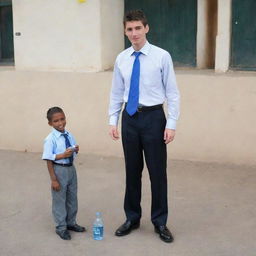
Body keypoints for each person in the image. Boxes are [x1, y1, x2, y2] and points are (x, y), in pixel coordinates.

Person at [108, 10, 180, 243]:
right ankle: (132, 217)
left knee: (157, 173)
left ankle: (160, 221)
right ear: (125, 31)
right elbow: (117, 92)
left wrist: (171, 123)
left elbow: (172, 93)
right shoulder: (122, 58)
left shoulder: (161, 56)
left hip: (153, 119)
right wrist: (113, 120)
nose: (134, 33)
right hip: (129, 118)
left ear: (146, 28)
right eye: (129, 29)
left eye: (138, 28)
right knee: (132, 171)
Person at [42, 107, 86, 240]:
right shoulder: (50, 139)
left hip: (71, 169)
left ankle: (71, 222)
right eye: (56, 121)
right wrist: (53, 179)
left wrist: (75, 149)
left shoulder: (68, 134)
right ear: (50, 123)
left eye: (62, 119)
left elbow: (71, 148)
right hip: (58, 170)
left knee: (72, 197)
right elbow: (49, 159)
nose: (60, 122)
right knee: (59, 200)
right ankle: (61, 227)